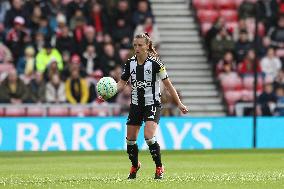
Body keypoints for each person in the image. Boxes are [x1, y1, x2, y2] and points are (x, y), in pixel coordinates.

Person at [107, 33, 188, 179]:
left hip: (152, 104)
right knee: (130, 140)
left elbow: (169, 86)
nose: (137, 48)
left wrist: (179, 103)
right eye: (135, 45)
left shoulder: (156, 64)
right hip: (136, 105)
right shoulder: (130, 63)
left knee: (149, 136)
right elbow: (121, 83)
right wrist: (109, 92)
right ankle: (135, 165)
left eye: (140, 45)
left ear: (147, 46)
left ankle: (159, 167)